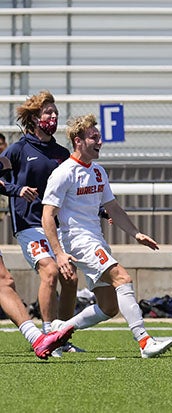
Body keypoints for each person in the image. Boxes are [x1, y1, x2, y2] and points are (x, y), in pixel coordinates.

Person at [41, 113, 172, 358]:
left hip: (97, 241)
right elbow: (48, 215)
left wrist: (136, 234)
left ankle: (62, 328)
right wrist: (59, 254)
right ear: (78, 141)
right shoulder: (64, 172)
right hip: (79, 242)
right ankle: (145, 342)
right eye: (94, 137)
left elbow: (113, 208)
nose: (99, 141)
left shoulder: (98, 172)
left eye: (99, 136)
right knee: (123, 278)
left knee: (109, 307)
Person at [0, 91, 82, 355]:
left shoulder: (61, 152)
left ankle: (62, 334)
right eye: (48, 112)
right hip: (28, 224)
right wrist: (17, 190)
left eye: (55, 112)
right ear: (34, 118)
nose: (53, 116)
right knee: (50, 271)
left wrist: (103, 212)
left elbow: (71, 190)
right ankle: (47, 335)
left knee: (70, 278)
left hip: (55, 227)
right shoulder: (18, 149)